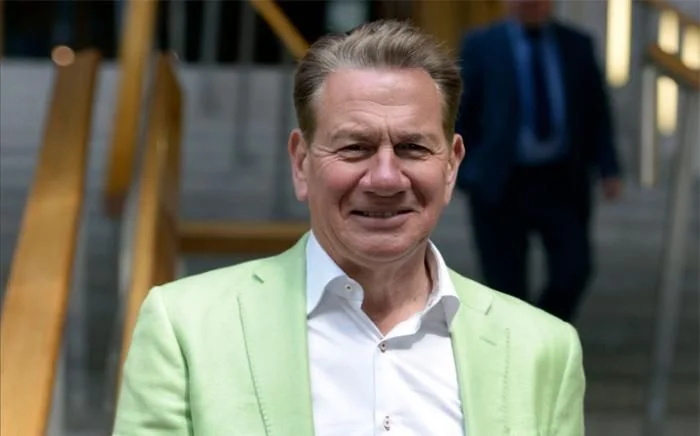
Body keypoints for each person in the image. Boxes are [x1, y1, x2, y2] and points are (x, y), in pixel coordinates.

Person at [113, 20, 585, 436]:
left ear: (451, 166)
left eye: (413, 148)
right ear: (301, 163)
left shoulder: (543, 349)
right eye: (355, 147)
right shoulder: (186, 329)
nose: (385, 178)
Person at [455, 0, 623, 322]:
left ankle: (541, 330)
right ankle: (519, 340)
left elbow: (596, 111)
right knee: (505, 285)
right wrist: (464, 169)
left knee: (573, 270)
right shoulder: (481, 45)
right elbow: (461, 112)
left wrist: (609, 166)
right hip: (500, 183)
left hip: (561, 180)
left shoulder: (577, 44)